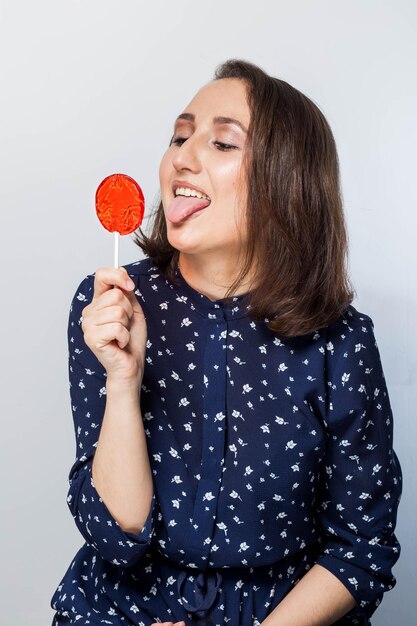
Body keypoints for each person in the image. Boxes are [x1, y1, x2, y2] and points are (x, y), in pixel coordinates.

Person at [50, 59, 402, 626]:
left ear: (285, 180)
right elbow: (117, 536)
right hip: (122, 610)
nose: (182, 158)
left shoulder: (342, 343)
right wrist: (122, 379)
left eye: (221, 144)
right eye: (180, 136)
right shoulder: (111, 306)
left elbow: (361, 551)